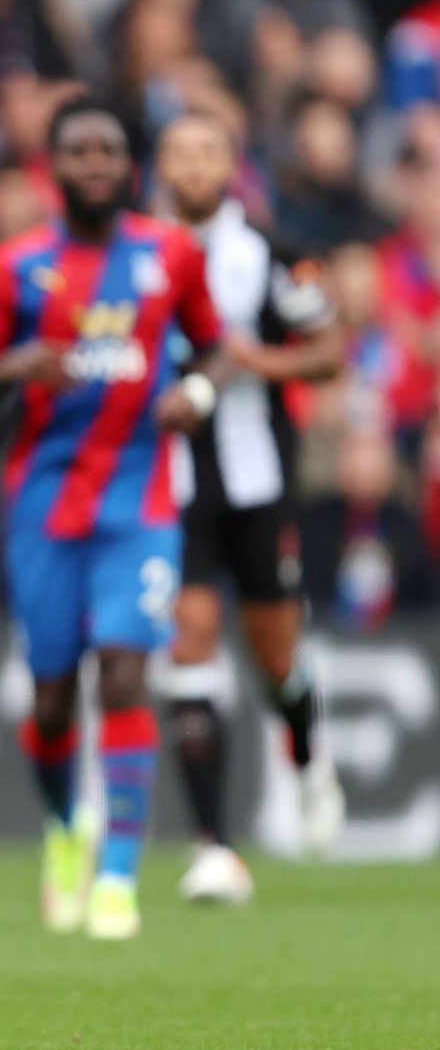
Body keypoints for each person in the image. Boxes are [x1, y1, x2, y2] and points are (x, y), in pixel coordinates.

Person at [0, 97, 228, 941]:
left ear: (128, 164)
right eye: (80, 150)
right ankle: (64, 825)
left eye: (110, 148)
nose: (97, 162)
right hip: (43, 499)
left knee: (125, 672)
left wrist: (198, 390)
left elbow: (213, 342)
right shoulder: (14, 268)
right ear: (55, 166)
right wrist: (14, 365)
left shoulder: (170, 254)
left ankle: (117, 875)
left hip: (140, 501)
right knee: (52, 699)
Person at [154, 112, 348, 903]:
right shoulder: (138, 253)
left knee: (275, 659)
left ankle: (308, 752)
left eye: (208, 152)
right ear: (161, 166)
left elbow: (331, 351)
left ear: (231, 164)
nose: (194, 166)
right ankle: (215, 845)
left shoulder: (266, 252)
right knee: (191, 641)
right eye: (180, 152)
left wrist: (254, 359)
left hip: (259, 486)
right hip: (173, 489)